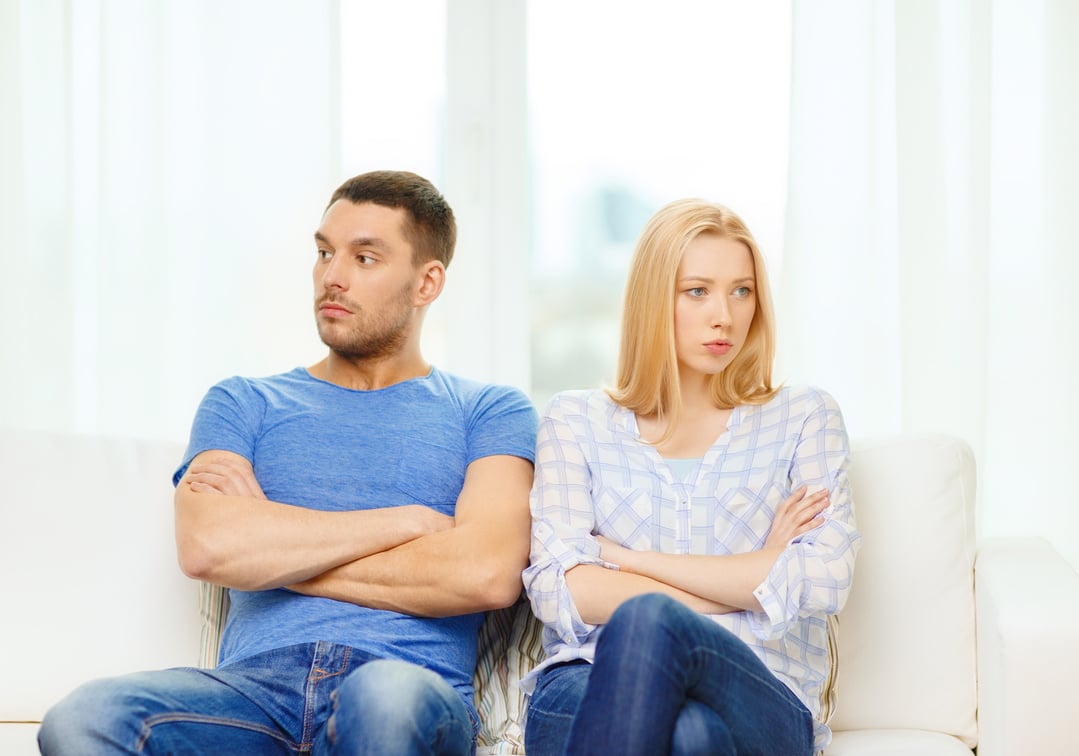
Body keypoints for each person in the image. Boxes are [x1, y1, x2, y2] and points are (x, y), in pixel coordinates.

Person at [38, 170, 538, 755]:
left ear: (427, 283)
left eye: (365, 257)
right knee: (85, 717)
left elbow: (485, 574)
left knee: (382, 699)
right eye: (324, 252)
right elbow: (209, 548)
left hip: (404, 688)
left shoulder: (490, 411)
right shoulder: (243, 401)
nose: (332, 276)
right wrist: (405, 523)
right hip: (252, 692)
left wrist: (274, 547)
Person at [521, 198, 862, 756]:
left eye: (742, 290)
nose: (724, 315)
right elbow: (566, 591)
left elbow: (824, 578)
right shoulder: (575, 420)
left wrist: (626, 559)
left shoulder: (804, 417)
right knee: (691, 736)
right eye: (697, 291)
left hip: (755, 684)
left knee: (650, 618)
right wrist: (748, 582)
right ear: (654, 300)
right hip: (587, 679)